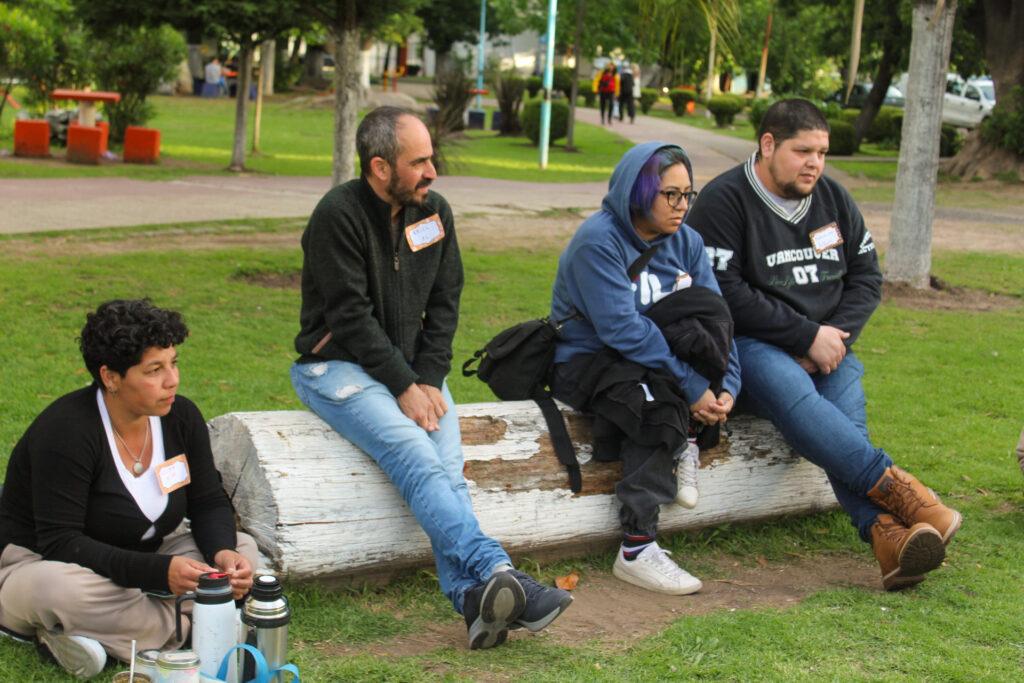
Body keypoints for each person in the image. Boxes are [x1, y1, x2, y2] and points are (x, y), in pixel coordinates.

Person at [290, 106, 572, 650]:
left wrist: (426, 378)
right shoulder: (337, 215)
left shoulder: (433, 212)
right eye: (419, 161)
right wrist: (403, 386)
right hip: (334, 368)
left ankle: (472, 601)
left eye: (431, 158)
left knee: (446, 471)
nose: (432, 171)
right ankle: (500, 573)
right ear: (379, 167)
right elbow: (349, 315)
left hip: (412, 372)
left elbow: (445, 304)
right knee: (416, 458)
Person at [686, 98, 962, 591]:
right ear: (767, 145)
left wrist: (831, 338)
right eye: (802, 151)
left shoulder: (833, 198)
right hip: (750, 347)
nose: (814, 162)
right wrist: (803, 336)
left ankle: (888, 538)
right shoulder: (723, 201)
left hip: (830, 346)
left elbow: (866, 278)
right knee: (805, 401)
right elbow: (723, 292)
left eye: (822, 152)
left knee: (841, 427)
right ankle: (911, 497)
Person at [0, 299, 258, 680]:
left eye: (173, 363)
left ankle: (92, 637)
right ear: (110, 377)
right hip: (47, 564)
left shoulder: (179, 416)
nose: (172, 380)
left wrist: (222, 553)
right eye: (154, 370)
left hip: (145, 552)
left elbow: (207, 501)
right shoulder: (66, 432)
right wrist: (157, 574)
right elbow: (60, 542)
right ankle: (196, 629)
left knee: (243, 548)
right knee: (54, 590)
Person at [549, 142, 741, 595]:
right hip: (587, 358)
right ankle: (637, 548)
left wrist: (726, 385)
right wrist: (692, 386)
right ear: (638, 193)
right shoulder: (598, 241)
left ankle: (691, 438)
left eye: (688, 194)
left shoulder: (688, 242)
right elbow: (622, 331)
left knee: (690, 360)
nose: (682, 206)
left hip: (650, 355)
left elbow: (719, 317)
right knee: (655, 406)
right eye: (669, 195)